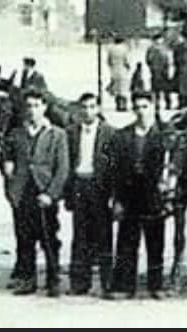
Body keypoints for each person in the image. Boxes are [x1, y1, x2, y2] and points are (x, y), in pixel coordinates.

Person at [3, 89, 69, 297]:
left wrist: (51, 194)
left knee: (49, 237)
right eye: (29, 106)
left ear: (45, 107)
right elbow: (7, 158)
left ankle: (52, 279)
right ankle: (27, 279)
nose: (32, 110)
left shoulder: (57, 134)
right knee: (24, 237)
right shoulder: (16, 134)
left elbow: (62, 168)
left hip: (44, 192)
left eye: (37, 106)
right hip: (22, 192)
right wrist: (8, 169)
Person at [107, 92, 168, 300]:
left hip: (153, 195)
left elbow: (172, 166)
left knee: (156, 242)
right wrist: (117, 200)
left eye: (145, 106)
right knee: (127, 241)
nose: (141, 111)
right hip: (129, 195)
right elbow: (115, 171)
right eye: (138, 107)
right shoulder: (122, 136)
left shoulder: (163, 135)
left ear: (152, 107)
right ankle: (125, 286)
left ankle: (156, 285)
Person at [65, 92, 115, 296]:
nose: (88, 111)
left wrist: (113, 193)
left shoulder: (110, 133)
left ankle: (108, 282)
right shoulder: (70, 132)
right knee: (80, 234)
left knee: (104, 234)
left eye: (92, 107)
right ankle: (79, 282)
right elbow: (67, 162)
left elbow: (114, 166)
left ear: (98, 109)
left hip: (100, 187)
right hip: (79, 185)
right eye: (84, 107)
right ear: (78, 110)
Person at [145, 34, 171, 112]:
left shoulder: (152, 49)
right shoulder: (162, 48)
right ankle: (164, 103)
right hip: (160, 70)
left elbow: (148, 60)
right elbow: (148, 60)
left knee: (159, 88)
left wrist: (151, 66)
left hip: (158, 70)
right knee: (161, 88)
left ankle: (161, 103)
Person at [106, 37, 132, 112]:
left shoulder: (111, 49)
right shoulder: (125, 49)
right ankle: (123, 105)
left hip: (114, 70)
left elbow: (108, 61)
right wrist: (128, 67)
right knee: (123, 89)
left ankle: (118, 105)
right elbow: (127, 60)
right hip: (123, 70)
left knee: (116, 88)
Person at [172, 34, 187, 109]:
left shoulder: (185, 47)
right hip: (183, 69)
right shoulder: (185, 46)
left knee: (183, 88)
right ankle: (184, 103)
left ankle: (184, 103)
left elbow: (181, 58)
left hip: (183, 69)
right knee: (183, 88)